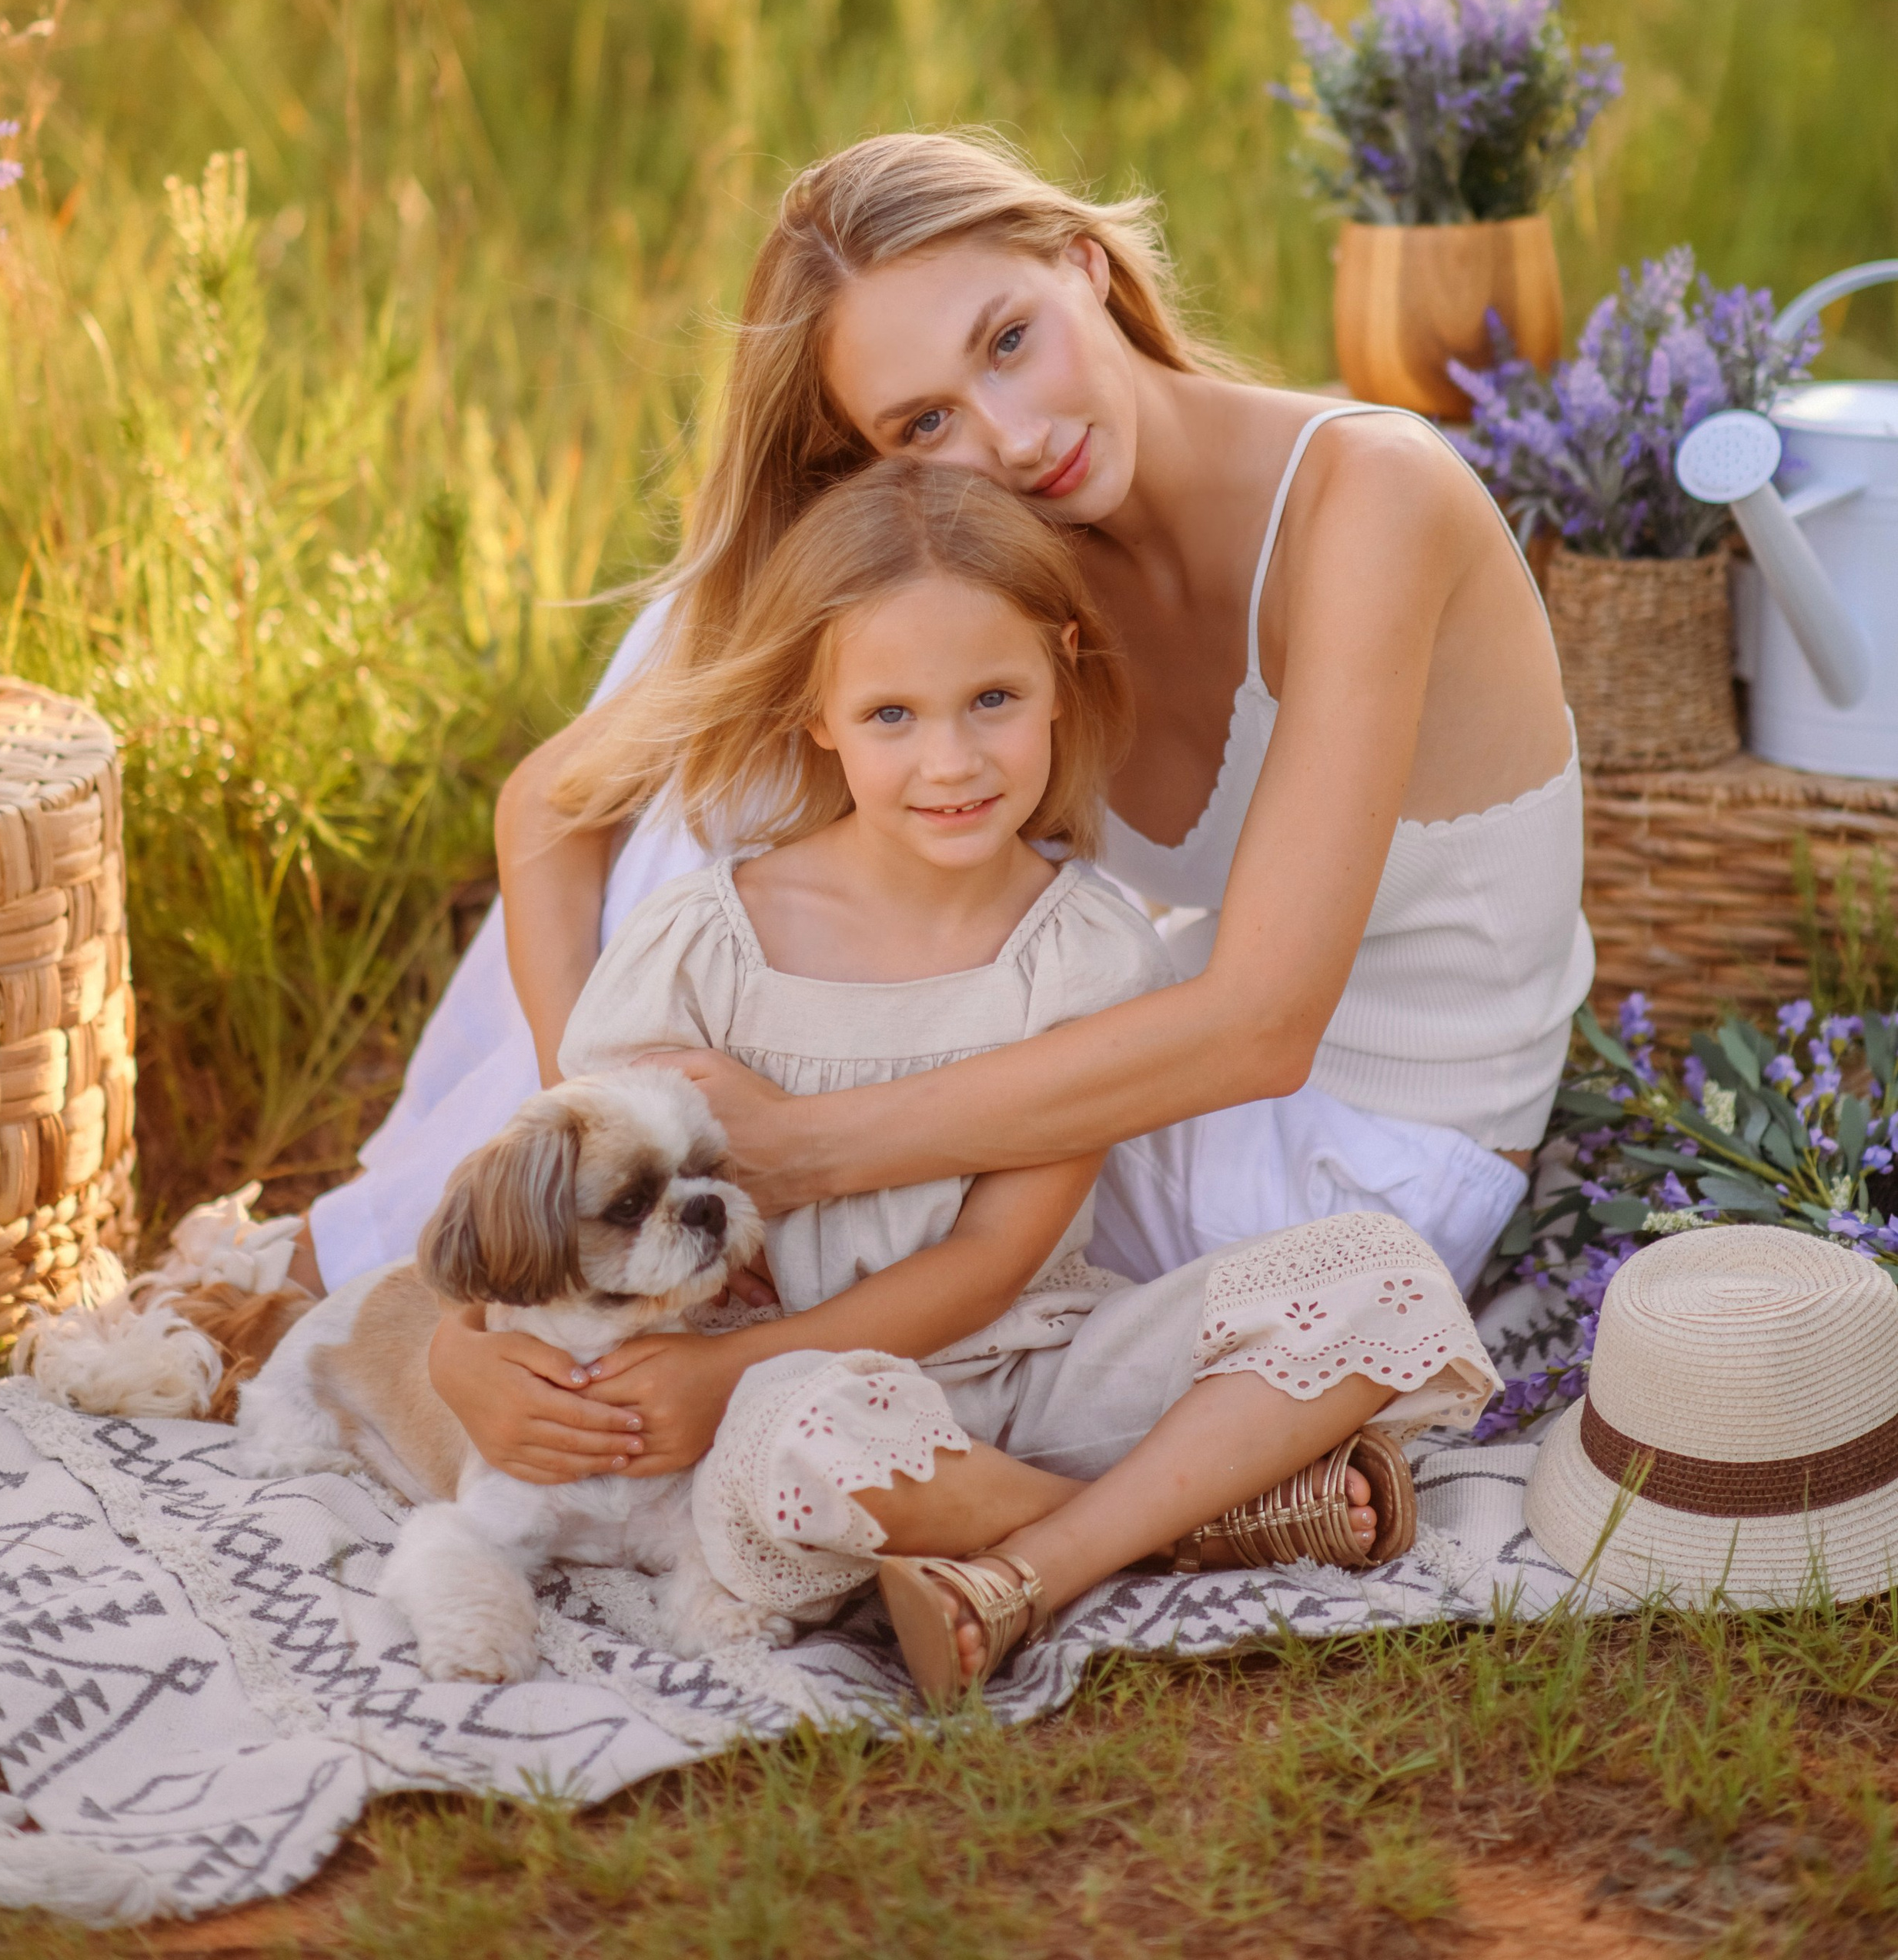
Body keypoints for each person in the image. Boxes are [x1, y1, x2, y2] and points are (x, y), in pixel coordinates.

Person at [298, 129, 1583, 1485]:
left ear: (1083, 264)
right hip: (1150, 1096)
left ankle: (523, 1321)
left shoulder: (1372, 495)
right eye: (924, 426)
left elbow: (1261, 1027)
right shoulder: (1006, 559)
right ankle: (534, 1282)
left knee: (786, 795)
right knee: (733, 693)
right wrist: (626, 1135)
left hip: (1353, 1160)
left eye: (1010, 340)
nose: (1011, 438)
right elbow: (553, 811)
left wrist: (792, 1150)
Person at [551, 455, 1495, 1705]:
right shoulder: (707, 943)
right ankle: (1183, 1525)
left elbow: (997, 1257)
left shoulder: (1084, 951)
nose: (951, 762)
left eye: (992, 699)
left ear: (1061, 674)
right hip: (800, 1385)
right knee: (799, 1434)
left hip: (1036, 1371)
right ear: (817, 714)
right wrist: (713, 1368)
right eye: (892, 715)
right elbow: (578, 1196)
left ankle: (1031, 1562)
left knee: (1378, 1274)